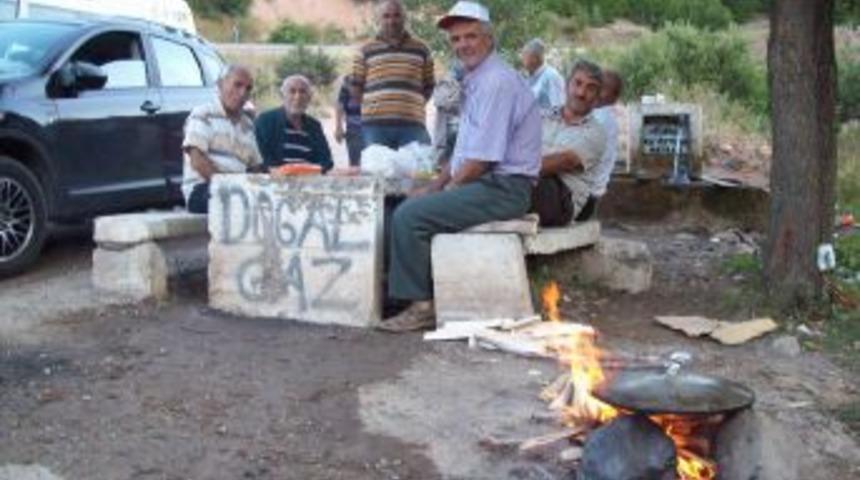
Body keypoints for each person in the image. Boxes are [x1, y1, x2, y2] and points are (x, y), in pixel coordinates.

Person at [378, 1, 541, 332]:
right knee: (401, 204)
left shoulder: (496, 82)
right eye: (455, 40)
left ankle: (421, 305)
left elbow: (481, 161)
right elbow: (463, 152)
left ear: (489, 39)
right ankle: (399, 296)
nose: (462, 45)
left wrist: (443, 191)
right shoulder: (477, 79)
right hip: (489, 183)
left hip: (504, 188)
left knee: (411, 215)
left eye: (471, 36)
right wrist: (435, 186)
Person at [532, 60, 607, 227]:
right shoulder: (541, 118)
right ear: (567, 85)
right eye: (578, 83)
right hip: (530, 180)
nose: (581, 93)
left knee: (520, 183)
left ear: (597, 96)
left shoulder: (596, 132)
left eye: (591, 88)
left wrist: (513, 168)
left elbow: (565, 161)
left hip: (561, 200)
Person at [352, 0, 435, 149]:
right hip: (375, 126)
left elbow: (429, 85)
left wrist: (410, 106)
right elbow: (356, 87)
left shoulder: (422, 49)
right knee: (377, 171)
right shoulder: (365, 49)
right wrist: (373, 108)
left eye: (397, 15)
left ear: (405, 18)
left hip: (413, 125)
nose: (392, 21)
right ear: (379, 19)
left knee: (421, 168)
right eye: (386, 16)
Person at [182, 65, 263, 214]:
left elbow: (255, 167)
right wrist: (231, 187)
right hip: (203, 189)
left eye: (248, 89)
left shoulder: (248, 125)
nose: (242, 93)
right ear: (220, 85)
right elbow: (197, 161)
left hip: (238, 190)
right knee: (240, 202)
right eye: (237, 85)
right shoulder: (203, 114)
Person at [254, 74, 333, 172]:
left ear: (309, 98)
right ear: (283, 96)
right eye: (292, 91)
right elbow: (261, 159)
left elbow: (326, 161)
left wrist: (312, 171)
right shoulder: (265, 121)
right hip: (277, 183)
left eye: (302, 92)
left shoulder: (314, 126)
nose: (298, 97)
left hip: (310, 182)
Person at [590, 69, 624, 204]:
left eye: (600, 88)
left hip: (583, 195)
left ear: (613, 96)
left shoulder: (600, 119)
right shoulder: (600, 116)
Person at [520, 38, 565, 112]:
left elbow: (559, 110)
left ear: (534, 58)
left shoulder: (551, 77)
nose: (521, 58)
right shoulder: (529, 77)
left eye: (524, 55)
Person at [334, 74, 364, 167]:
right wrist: (339, 128)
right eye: (353, 84)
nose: (355, 88)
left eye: (358, 85)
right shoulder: (347, 81)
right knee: (355, 164)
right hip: (353, 129)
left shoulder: (373, 80)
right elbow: (340, 106)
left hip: (372, 129)